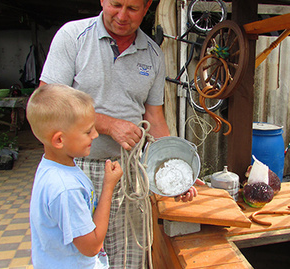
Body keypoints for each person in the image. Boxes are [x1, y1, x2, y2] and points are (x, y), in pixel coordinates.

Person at [39, 0, 203, 267]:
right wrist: (107, 124)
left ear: (147, 6)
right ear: (103, 0)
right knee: (81, 257)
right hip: (77, 168)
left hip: (129, 172)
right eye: (116, 4)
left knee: (129, 258)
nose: (122, 15)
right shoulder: (73, 36)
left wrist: (176, 170)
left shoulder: (152, 53)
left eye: (132, 8)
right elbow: (46, 104)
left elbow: (154, 117)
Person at [27, 84, 124, 268]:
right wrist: (108, 187)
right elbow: (92, 246)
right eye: (88, 131)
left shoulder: (54, 166)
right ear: (59, 140)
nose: (95, 135)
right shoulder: (66, 188)